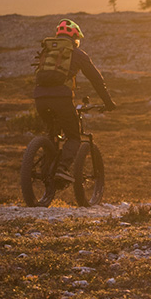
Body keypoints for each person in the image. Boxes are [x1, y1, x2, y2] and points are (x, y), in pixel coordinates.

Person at [33, 19, 116, 181]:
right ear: (75, 38)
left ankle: (46, 170)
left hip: (40, 98)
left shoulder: (47, 51)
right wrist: (108, 103)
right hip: (62, 99)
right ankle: (62, 169)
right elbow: (96, 79)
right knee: (73, 137)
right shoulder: (77, 54)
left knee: (52, 133)